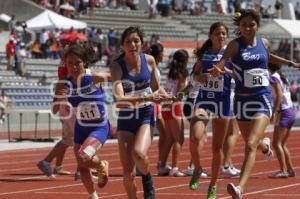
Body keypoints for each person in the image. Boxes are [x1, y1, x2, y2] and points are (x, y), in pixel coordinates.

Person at [209, 9, 300, 199]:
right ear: (239, 27)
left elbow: (270, 57)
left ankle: (240, 189)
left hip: (261, 99)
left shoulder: (263, 42)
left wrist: (290, 63)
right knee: (254, 143)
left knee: (250, 144)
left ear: (257, 25)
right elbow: (223, 62)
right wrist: (218, 69)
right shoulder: (235, 45)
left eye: (251, 24)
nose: (248, 28)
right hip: (242, 101)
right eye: (244, 25)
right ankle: (265, 146)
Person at [110, 26, 172, 199]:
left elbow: (156, 90)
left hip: (145, 114)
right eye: (128, 42)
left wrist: (167, 97)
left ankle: (147, 178)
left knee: (138, 153)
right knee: (128, 174)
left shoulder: (149, 61)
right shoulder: (116, 67)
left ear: (142, 44)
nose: (132, 45)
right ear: (122, 45)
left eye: (136, 41)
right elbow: (119, 100)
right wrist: (148, 97)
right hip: (126, 118)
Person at [53, 43, 111, 199]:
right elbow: (54, 110)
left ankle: (101, 165)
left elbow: (116, 77)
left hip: (99, 127)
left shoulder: (93, 77)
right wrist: (59, 96)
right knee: (82, 164)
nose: (73, 67)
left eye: (77, 62)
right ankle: (93, 196)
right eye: (70, 63)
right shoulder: (65, 83)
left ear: (84, 62)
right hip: (81, 128)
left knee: (84, 156)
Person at [188, 22, 233, 199]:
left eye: (223, 34)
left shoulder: (230, 54)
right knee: (195, 136)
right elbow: (195, 75)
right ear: (211, 35)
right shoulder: (204, 54)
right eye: (217, 33)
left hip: (223, 102)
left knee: (216, 149)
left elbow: (238, 75)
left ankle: (213, 185)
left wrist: (224, 71)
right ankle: (198, 168)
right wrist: (203, 78)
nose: (220, 36)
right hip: (204, 100)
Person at [161, 49, 189, 177]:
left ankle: (162, 165)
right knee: (179, 138)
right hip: (174, 105)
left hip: (165, 105)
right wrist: (191, 88)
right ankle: (175, 167)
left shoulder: (170, 72)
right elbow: (180, 92)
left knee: (169, 138)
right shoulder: (183, 73)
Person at [269, 63, 296, 178]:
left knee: (276, 143)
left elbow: (279, 95)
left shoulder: (273, 78)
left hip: (284, 112)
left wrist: (274, 112)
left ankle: (283, 170)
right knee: (282, 144)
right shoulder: (282, 77)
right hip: (290, 111)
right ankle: (290, 169)